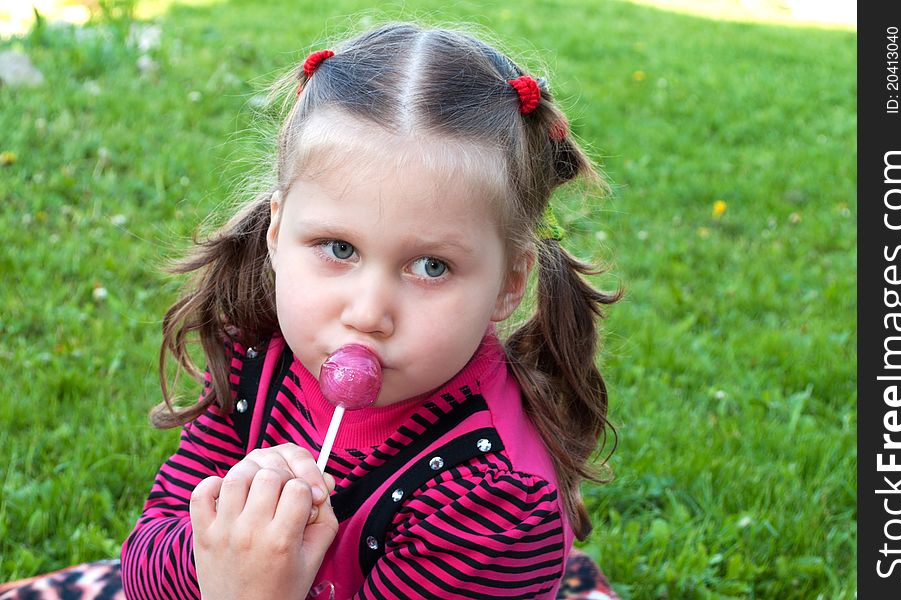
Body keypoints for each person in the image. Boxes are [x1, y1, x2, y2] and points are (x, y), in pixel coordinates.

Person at [0, 20, 622, 600]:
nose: (368, 311)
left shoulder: (495, 508)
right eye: (339, 248)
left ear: (510, 281)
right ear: (276, 232)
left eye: (431, 265)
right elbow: (144, 559)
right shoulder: (258, 360)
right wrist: (225, 552)